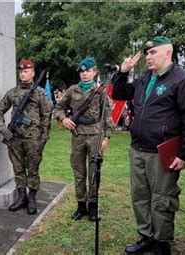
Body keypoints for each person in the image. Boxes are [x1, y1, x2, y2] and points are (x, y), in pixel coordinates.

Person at [111, 36, 185, 254]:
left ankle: (162, 243)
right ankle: (147, 236)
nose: (148, 57)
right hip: (138, 149)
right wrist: (123, 72)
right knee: (140, 196)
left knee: (162, 199)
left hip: (163, 152)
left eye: (153, 53)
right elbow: (119, 93)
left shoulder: (182, 79)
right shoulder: (144, 79)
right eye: (147, 53)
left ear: (168, 53)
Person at [53, 57, 113, 222]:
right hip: (77, 135)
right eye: (82, 71)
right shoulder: (72, 90)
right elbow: (58, 108)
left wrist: (106, 137)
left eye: (88, 71)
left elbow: (107, 113)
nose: (84, 74)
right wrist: (64, 119)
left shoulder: (101, 89)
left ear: (94, 72)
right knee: (79, 172)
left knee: (94, 171)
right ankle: (81, 206)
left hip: (95, 135)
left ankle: (92, 206)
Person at [0, 59, 53, 215]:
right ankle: (21, 197)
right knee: (18, 169)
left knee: (33, 169)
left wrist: (43, 138)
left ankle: (32, 198)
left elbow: (47, 116)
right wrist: (2, 128)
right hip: (14, 139)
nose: (23, 73)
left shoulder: (40, 93)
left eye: (26, 71)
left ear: (33, 73)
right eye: (21, 71)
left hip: (33, 139)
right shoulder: (12, 93)